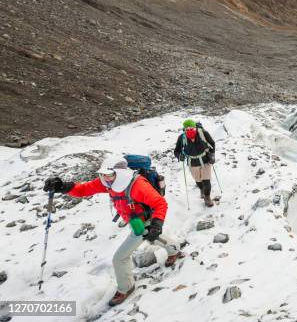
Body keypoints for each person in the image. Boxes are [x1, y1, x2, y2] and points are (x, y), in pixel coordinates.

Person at [43, 156, 183, 306]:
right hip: (135, 221)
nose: (105, 178)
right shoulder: (109, 182)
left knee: (120, 258)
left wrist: (156, 224)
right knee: (152, 237)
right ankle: (174, 249)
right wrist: (63, 186)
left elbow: (160, 203)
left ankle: (126, 287)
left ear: (119, 173)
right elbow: (84, 189)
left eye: (109, 175)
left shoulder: (137, 185)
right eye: (102, 175)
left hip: (146, 221)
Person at [174, 119, 216, 207]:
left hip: (205, 160)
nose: (189, 130)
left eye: (191, 128)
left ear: (195, 127)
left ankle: (207, 197)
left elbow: (212, 143)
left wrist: (212, 154)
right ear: (184, 129)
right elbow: (177, 151)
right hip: (192, 163)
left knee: (206, 180)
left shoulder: (203, 133)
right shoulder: (182, 138)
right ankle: (201, 189)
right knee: (198, 180)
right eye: (187, 129)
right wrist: (179, 156)